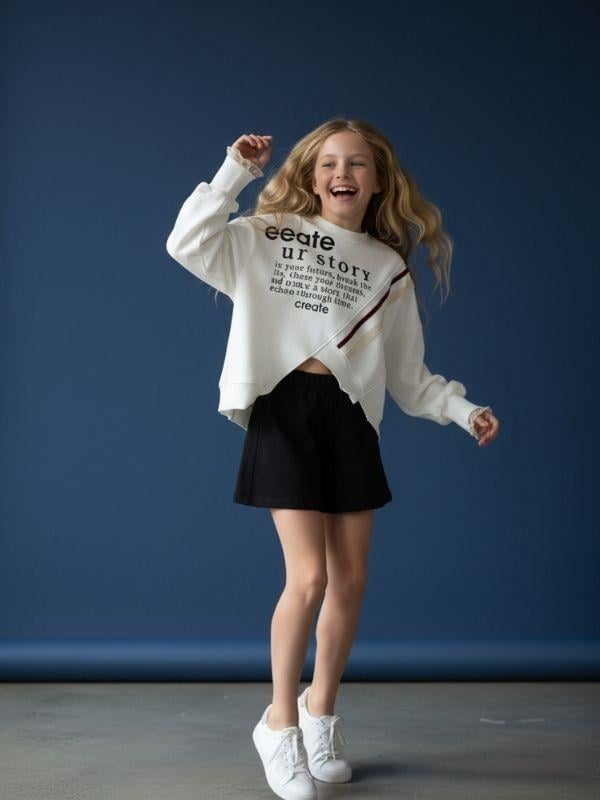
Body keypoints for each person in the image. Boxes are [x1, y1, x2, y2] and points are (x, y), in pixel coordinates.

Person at [166, 118, 500, 800]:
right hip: (285, 408)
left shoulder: (386, 268)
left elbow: (408, 376)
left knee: (350, 581)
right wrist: (234, 173)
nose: (341, 173)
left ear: (377, 181)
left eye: (356, 163)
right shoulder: (268, 235)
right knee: (310, 577)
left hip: (350, 419)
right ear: (311, 177)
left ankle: (320, 713)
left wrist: (463, 410)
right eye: (327, 163)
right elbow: (187, 243)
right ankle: (279, 724)